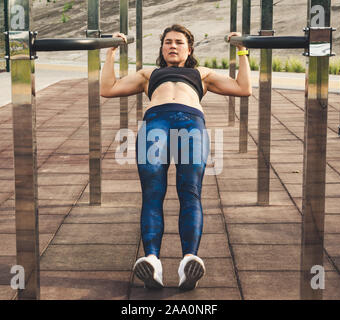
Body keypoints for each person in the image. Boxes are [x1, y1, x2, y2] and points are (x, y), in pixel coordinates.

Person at [100, 24, 251, 290]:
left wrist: (242, 51)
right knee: (152, 193)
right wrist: (110, 52)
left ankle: (188, 261)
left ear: (189, 49)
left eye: (179, 42)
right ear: (161, 48)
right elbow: (108, 89)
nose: (173, 46)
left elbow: (243, 88)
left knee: (190, 192)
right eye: (168, 41)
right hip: (155, 124)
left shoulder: (200, 74)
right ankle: (152, 262)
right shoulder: (149, 74)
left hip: (191, 125)